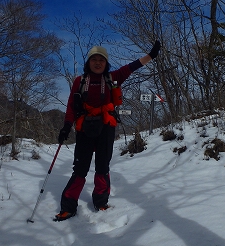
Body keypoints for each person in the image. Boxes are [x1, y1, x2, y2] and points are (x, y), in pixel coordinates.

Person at [54, 41, 161, 221]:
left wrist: (150, 56)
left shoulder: (113, 77)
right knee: (80, 169)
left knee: (102, 167)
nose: (97, 63)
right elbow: (72, 106)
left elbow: (132, 67)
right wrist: (66, 126)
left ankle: (101, 202)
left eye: (101, 60)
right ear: (88, 63)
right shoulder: (80, 81)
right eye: (94, 59)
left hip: (106, 128)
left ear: (106, 63)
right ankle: (68, 207)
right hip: (84, 128)